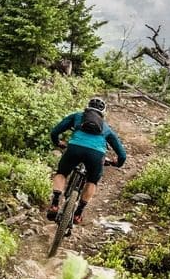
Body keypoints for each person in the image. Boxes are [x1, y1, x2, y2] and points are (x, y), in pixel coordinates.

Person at [48, 96, 126, 231]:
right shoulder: (106, 128)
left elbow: (55, 131)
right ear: (103, 113)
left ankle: (55, 203)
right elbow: (122, 154)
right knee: (92, 181)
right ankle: (78, 213)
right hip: (96, 155)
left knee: (62, 173)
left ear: (88, 107)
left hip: (74, 149)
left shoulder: (77, 116)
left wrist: (58, 143)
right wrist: (116, 163)